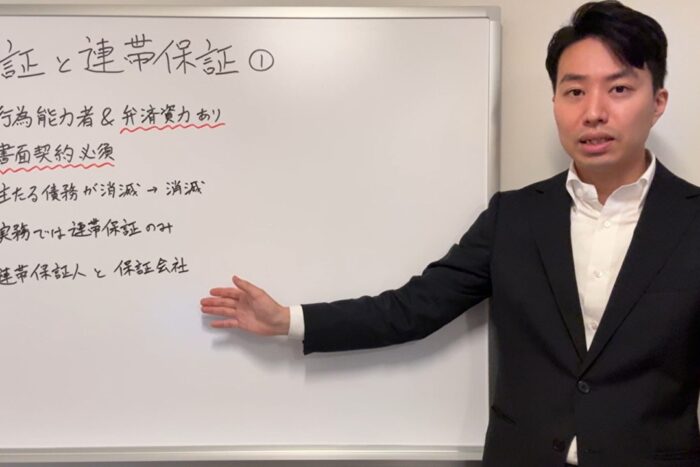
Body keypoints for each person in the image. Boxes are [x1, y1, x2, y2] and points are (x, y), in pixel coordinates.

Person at [201, 1, 700, 466]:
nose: (593, 111)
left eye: (619, 89)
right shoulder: (515, 217)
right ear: (555, 102)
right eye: (575, 91)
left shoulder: (692, 221)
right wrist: (288, 320)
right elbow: (413, 308)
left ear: (657, 102)